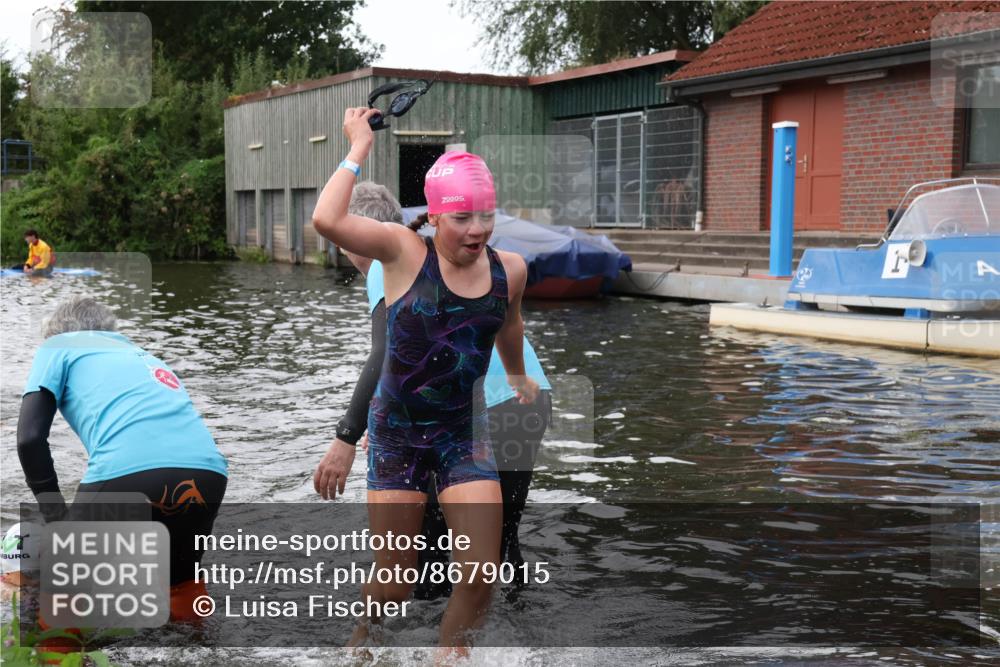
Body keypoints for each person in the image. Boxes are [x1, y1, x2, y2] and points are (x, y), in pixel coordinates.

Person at [311, 108, 539, 660]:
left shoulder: (510, 269)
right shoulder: (401, 251)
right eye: (462, 217)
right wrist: (358, 147)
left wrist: (516, 373)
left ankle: (449, 655)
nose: (477, 229)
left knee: (481, 570)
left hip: (463, 432)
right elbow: (326, 219)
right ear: (434, 216)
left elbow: (509, 325)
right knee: (395, 581)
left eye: (485, 214)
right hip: (398, 435)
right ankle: (363, 637)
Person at [16, 296, 228, 623]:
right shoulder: (141, 355)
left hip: (130, 470)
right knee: (181, 583)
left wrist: (56, 516)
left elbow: (29, 438)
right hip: (208, 471)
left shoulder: (58, 346)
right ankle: (202, 644)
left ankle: (56, 647)